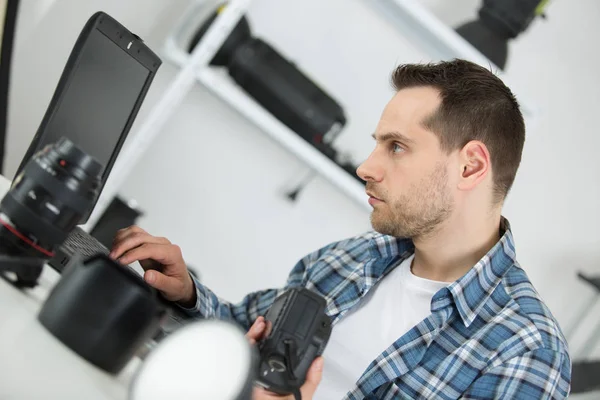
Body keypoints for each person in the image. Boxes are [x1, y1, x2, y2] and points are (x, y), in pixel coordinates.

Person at [110, 59, 571, 399]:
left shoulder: (526, 350)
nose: (366, 167)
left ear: (470, 167)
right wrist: (188, 293)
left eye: (396, 147)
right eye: (377, 144)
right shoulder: (351, 258)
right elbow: (248, 331)